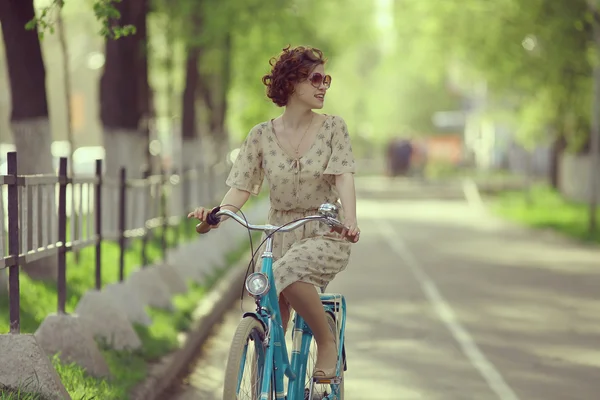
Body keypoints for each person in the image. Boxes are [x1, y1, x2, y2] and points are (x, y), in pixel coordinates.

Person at [188, 45, 359, 379]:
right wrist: (216, 217)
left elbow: (343, 176)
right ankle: (266, 383)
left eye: (327, 79)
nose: (324, 85)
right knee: (271, 316)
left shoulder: (334, 127)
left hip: (324, 230)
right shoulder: (261, 136)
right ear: (292, 83)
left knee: (286, 272)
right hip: (279, 233)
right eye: (316, 79)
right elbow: (240, 187)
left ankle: (326, 342)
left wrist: (350, 218)